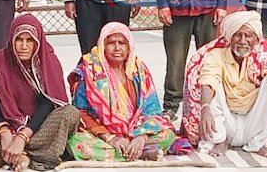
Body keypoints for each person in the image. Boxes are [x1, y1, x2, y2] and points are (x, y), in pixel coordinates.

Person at [0, 14, 79, 172]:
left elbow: (48, 106)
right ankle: (22, 154)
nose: (24, 46)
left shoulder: (48, 62)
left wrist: (23, 137)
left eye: (30, 40)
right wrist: (4, 133)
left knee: (70, 113)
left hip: (38, 130)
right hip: (4, 130)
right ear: (11, 39)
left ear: (38, 41)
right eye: (19, 39)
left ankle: (3, 154)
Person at [181, 11, 267, 156]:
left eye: (248, 35)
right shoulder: (216, 54)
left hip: (252, 123)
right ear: (229, 37)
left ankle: (258, 144)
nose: (243, 41)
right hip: (224, 124)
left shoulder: (264, 55)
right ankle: (220, 140)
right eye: (238, 35)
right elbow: (208, 79)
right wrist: (205, 108)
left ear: (256, 39)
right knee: (212, 85)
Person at [68, 22, 188, 161]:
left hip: (137, 131)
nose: (117, 48)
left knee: (167, 134)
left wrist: (141, 137)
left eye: (122, 43)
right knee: (76, 143)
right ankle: (141, 153)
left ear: (129, 46)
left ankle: (131, 150)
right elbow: (81, 112)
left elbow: (152, 109)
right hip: (103, 134)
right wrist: (110, 138)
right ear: (102, 46)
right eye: (111, 43)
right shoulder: (89, 71)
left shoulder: (139, 70)